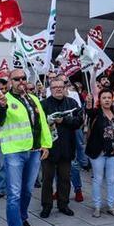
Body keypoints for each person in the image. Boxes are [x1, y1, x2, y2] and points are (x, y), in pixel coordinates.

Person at [0, 69, 52, 226]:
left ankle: (23, 218)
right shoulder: (4, 99)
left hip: (33, 152)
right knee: (14, 194)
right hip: (15, 152)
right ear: (10, 81)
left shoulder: (33, 99)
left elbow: (42, 122)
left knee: (27, 191)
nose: (21, 81)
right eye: (16, 78)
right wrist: (1, 107)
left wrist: (46, 145)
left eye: (24, 78)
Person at [39, 77, 82, 218]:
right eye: (54, 87)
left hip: (67, 147)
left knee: (64, 178)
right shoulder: (43, 104)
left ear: (65, 88)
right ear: (50, 89)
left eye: (60, 86)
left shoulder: (72, 103)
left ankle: (63, 204)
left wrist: (63, 120)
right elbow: (38, 125)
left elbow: (78, 121)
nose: (58, 89)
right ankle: (46, 206)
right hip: (49, 149)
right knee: (47, 179)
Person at [85, 89, 114, 218]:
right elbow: (88, 111)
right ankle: (97, 206)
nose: (107, 100)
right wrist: (88, 103)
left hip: (112, 152)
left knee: (112, 180)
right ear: (99, 100)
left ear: (112, 99)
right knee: (98, 179)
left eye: (109, 97)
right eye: (104, 98)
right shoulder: (95, 113)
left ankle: (111, 206)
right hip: (98, 152)